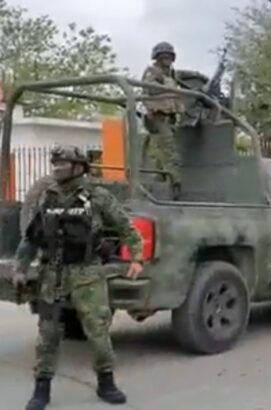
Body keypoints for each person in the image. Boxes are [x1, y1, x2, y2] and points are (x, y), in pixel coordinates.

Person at [12, 145, 144, 410]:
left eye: (63, 163)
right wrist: (20, 267)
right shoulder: (47, 197)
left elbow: (125, 227)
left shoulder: (97, 196)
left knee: (97, 331)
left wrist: (137, 258)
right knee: (48, 333)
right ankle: (41, 388)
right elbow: (31, 237)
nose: (57, 168)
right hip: (53, 274)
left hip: (87, 274)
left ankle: (106, 381)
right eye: (55, 163)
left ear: (78, 166)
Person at [142, 41, 185, 194]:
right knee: (170, 153)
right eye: (163, 56)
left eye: (169, 56)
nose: (167, 59)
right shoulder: (153, 73)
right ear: (157, 58)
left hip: (170, 118)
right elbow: (147, 89)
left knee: (164, 154)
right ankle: (176, 185)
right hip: (158, 118)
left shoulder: (171, 76)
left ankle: (163, 183)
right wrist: (159, 81)